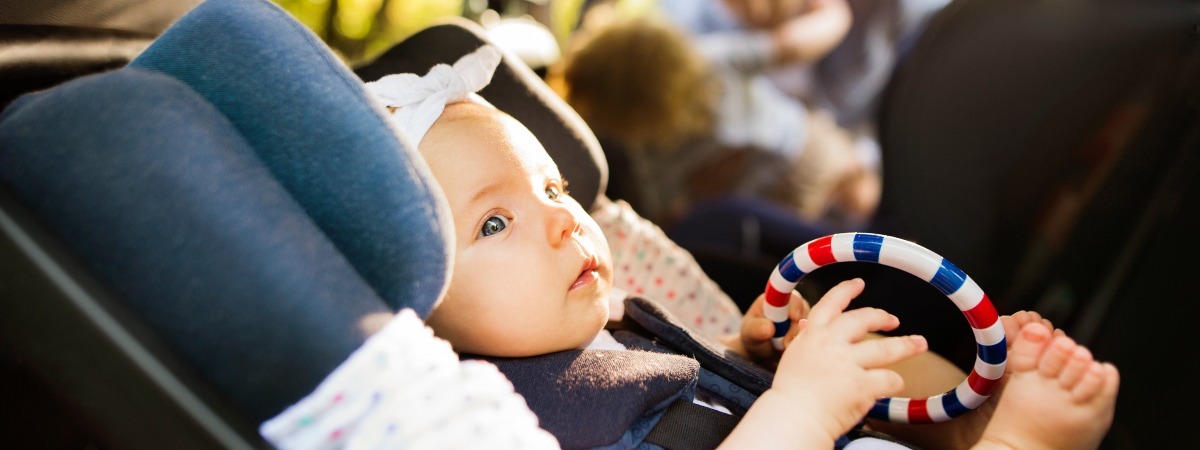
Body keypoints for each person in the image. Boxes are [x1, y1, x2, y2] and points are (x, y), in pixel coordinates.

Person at [367, 45, 1119, 449]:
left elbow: (688, 384)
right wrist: (802, 406)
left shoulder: (609, 324)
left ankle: (963, 420)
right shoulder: (498, 425)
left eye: (555, 189)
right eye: (494, 224)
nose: (564, 220)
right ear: (418, 311)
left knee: (868, 345)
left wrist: (745, 348)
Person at [558, 13, 880, 229]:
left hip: (770, 201)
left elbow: (667, 212)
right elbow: (791, 44)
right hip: (804, 149)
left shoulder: (647, 148)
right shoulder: (710, 61)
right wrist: (834, 14)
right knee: (867, 198)